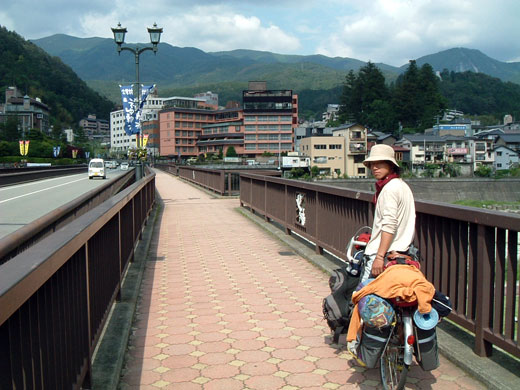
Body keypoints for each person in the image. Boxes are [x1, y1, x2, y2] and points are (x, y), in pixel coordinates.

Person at [360, 144, 416, 283]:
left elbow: (389, 224)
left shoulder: (389, 189)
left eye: (379, 163)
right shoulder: (402, 186)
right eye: (372, 164)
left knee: (362, 299)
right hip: (401, 254)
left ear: (391, 165)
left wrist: (379, 257)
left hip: (383, 255)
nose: (374, 168)